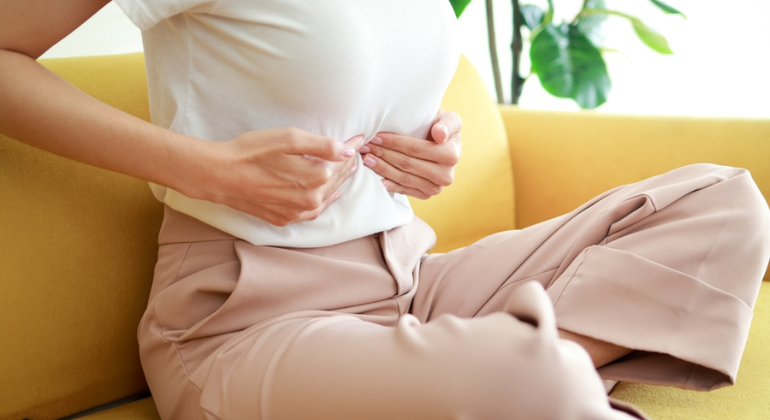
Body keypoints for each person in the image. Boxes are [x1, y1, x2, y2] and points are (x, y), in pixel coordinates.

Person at [1, 1, 768, 419]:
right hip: (245, 325)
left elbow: (381, 94)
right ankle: (519, 373)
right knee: (525, 375)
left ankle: (501, 370)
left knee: (723, 205)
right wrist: (208, 171)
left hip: (409, 282)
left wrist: (439, 145)